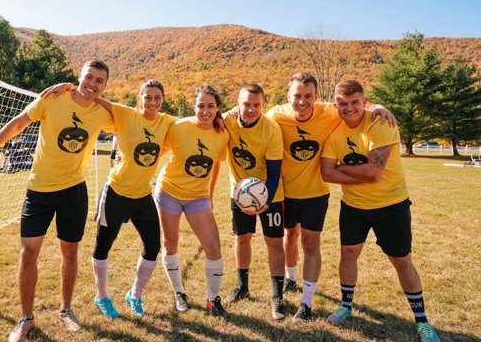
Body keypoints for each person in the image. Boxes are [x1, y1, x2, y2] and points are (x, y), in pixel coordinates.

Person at [0, 61, 115, 341]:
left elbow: (130, 117)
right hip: (39, 191)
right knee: (28, 253)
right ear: (79, 76)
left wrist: (93, 94)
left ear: (105, 86)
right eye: (89, 77)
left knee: (70, 252)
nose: (93, 83)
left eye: (100, 81)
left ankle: (66, 310)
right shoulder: (53, 99)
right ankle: (26, 318)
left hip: (74, 191)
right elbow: (17, 124)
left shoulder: (101, 112)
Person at [40, 79, 176, 318]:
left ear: (162, 100)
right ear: (139, 99)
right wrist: (70, 86)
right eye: (148, 97)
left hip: (143, 195)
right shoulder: (126, 114)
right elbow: (93, 97)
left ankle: (135, 294)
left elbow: (197, 122)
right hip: (116, 193)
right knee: (104, 246)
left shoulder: (168, 122)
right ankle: (101, 296)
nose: (152, 102)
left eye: (157, 98)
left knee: (153, 246)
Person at [266, 72, 395, 323]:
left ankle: (307, 303)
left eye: (308, 96)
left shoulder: (331, 111)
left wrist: (380, 106)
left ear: (317, 97)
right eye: (297, 96)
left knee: (311, 243)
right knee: (289, 236)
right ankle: (291, 278)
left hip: (315, 192)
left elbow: (357, 107)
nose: (302, 102)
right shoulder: (275, 114)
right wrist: (235, 111)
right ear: (288, 96)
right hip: (284, 192)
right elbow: (250, 116)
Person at [321, 80, 440, 342]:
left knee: (401, 260)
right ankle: (346, 305)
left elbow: (374, 172)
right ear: (335, 105)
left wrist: (342, 168)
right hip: (353, 207)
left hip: (390, 204)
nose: (348, 107)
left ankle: (422, 321)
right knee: (348, 253)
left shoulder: (380, 122)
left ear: (365, 102)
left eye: (354, 102)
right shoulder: (333, 131)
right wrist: (358, 174)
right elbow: (325, 173)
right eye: (343, 103)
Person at [156, 85, 230, 318]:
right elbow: (159, 151)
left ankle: (212, 301)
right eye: (201, 106)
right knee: (171, 243)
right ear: (194, 106)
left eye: (210, 106)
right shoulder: (179, 127)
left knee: (213, 247)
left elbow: (216, 164)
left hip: (197, 197)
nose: (205, 111)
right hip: (169, 192)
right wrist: (124, 158)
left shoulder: (222, 134)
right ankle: (179, 293)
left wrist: (209, 193)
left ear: (218, 108)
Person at [222, 84, 286, 320]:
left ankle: (277, 296)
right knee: (242, 238)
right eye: (246, 104)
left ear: (263, 105)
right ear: (238, 103)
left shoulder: (271, 129)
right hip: (239, 193)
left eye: (256, 105)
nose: (250, 109)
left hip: (270, 194)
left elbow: (274, 171)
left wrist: (265, 199)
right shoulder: (227, 120)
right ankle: (242, 286)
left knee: (274, 242)